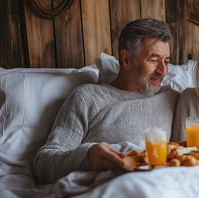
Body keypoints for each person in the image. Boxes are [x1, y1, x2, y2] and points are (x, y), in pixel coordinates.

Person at [34, 18, 179, 184]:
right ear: (126, 59)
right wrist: (87, 156)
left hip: (159, 188)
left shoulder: (171, 98)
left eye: (166, 61)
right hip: (107, 190)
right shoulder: (88, 97)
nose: (163, 70)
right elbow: (43, 164)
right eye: (154, 60)